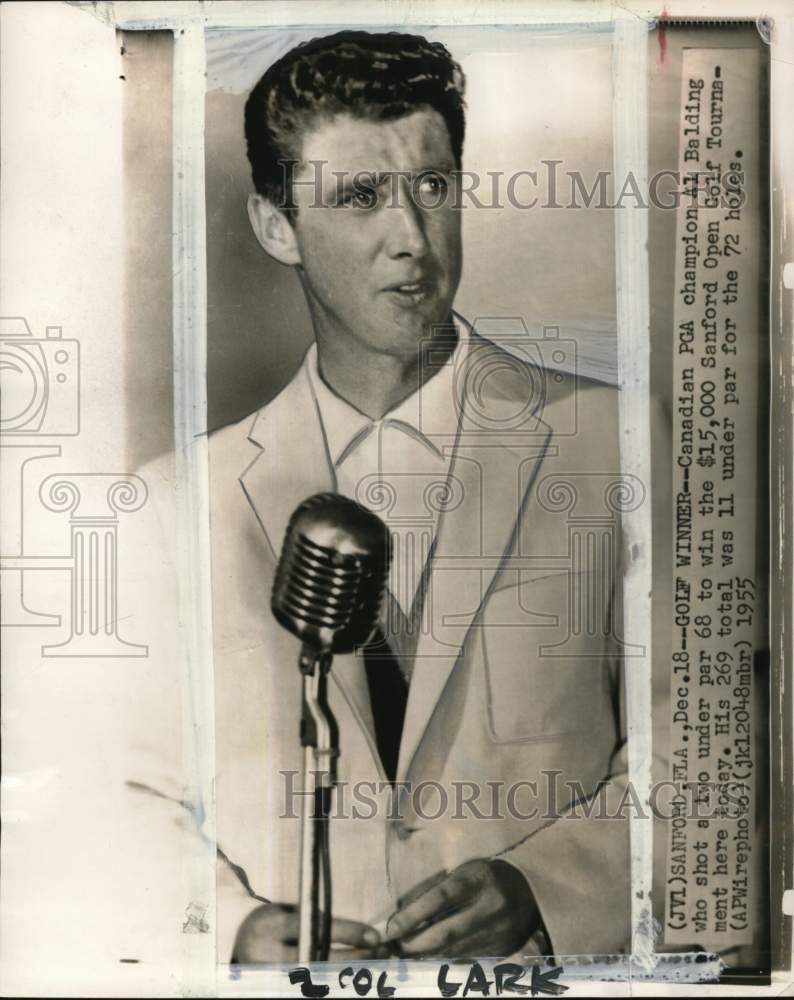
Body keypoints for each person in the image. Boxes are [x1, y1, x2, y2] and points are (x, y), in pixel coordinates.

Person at [135, 29, 640, 967]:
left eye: (435, 186)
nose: (413, 236)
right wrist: (232, 928)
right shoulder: (173, 508)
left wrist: (548, 886)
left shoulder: (616, 448)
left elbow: (721, 752)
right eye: (361, 197)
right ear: (275, 225)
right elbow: (113, 787)